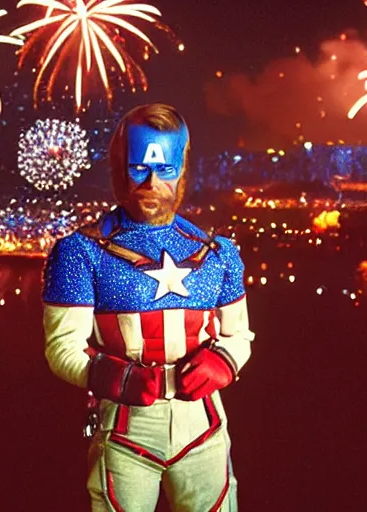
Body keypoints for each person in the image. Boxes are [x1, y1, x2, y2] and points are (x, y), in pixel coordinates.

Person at [42, 103, 255, 511]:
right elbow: (62, 347)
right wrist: (115, 378)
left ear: (183, 169)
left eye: (166, 169)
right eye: (139, 168)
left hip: (203, 425)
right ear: (119, 167)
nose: (152, 182)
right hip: (125, 428)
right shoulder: (79, 253)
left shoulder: (217, 253)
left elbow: (240, 333)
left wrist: (224, 361)